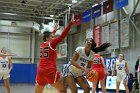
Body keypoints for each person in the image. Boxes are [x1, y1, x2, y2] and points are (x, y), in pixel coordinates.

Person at [34, 15, 75, 93]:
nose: (54, 38)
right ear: (48, 38)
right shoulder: (52, 43)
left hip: (40, 70)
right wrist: (70, 23)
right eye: (52, 37)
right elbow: (63, 35)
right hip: (49, 70)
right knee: (63, 90)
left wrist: (55, 30)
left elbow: (49, 35)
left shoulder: (42, 44)